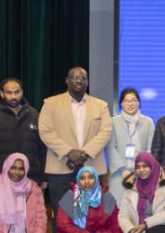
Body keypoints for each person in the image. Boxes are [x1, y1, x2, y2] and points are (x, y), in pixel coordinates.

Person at [39, 67, 113, 210]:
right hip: (61, 167)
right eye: (75, 77)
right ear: (67, 80)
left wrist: (84, 153)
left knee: (91, 214)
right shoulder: (50, 103)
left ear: (87, 82)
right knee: (62, 214)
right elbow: (45, 131)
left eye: (83, 78)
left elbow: (105, 132)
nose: (79, 81)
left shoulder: (101, 105)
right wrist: (69, 152)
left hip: (91, 166)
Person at [0, 78, 47, 192]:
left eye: (17, 92)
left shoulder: (34, 115)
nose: (13, 96)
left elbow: (42, 150)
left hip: (30, 180)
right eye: (9, 92)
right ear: (2, 94)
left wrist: (44, 177)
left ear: (22, 92)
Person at [106, 87, 154, 203]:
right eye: (126, 101)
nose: (130, 104)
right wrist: (123, 170)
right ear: (121, 104)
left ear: (139, 102)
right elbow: (111, 148)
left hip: (142, 172)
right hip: (119, 173)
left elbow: (150, 147)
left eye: (133, 100)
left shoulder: (148, 122)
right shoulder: (113, 122)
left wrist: (144, 169)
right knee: (118, 205)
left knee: (139, 205)